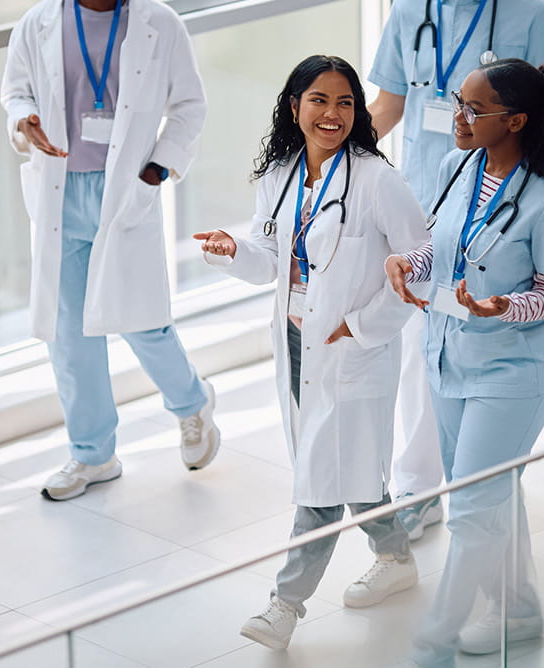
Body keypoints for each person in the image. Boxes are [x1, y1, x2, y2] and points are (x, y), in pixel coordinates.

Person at [193, 56, 431, 651]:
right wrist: (232, 250)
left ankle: (285, 605)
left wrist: (361, 326)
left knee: (321, 479)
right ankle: (396, 556)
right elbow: (268, 259)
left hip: (351, 346)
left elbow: (422, 265)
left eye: (346, 102)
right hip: (298, 341)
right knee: (348, 463)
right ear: (295, 105)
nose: (333, 114)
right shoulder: (280, 174)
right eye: (320, 100)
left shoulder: (377, 180)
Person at [0, 0, 219, 501]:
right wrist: (24, 119)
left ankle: (193, 404)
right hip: (61, 191)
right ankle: (93, 455)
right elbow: (15, 90)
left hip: (125, 191)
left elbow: (190, 105)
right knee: (71, 336)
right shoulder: (39, 23)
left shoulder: (159, 24)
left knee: (141, 320)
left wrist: (156, 169)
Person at [386, 59, 544, 665]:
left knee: (472, 509)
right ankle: (519, 609)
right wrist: (408, 264)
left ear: (516, 121)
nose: (458, 116)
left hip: (511, 372)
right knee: (491, 496)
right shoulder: (460, 168)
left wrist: (503, 306)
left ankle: (436, 639)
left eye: (473, 109)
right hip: (447, 359)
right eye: (460, 102)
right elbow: (442, 248)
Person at [367, 0, 544, 541]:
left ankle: (470, 474)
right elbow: (390, 103)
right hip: (418, 204)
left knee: (469, 341)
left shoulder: (528, 12)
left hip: (490, 208)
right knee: (419, 350)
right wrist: (338, 154)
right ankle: (421, 488)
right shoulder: (408, 10)